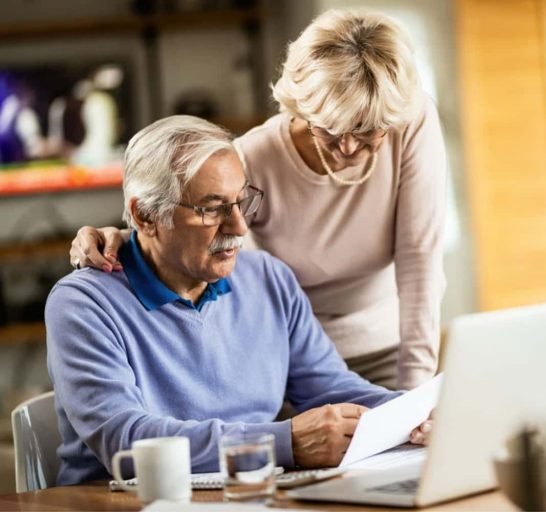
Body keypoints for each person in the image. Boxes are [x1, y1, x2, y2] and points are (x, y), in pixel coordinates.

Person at [68, 9, 447, 391]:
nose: (348, 147)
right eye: (330, 130)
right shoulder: (250, 160)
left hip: (390, 343)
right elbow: (205, 250)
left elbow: (420, 254)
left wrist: (415, 392)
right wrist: (130, 237)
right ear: (302, 106)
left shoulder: (408, 122)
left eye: (367, 132)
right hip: (292, 358)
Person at [47, 115, 430, 485]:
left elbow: (332, 388)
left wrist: (420, 413)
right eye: (212, 209)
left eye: (241, 202)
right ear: (146, 215)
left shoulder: (269, 279)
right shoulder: (82, 305)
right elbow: (127, 440)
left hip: (254, 494)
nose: (240, 227)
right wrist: (282, 443)